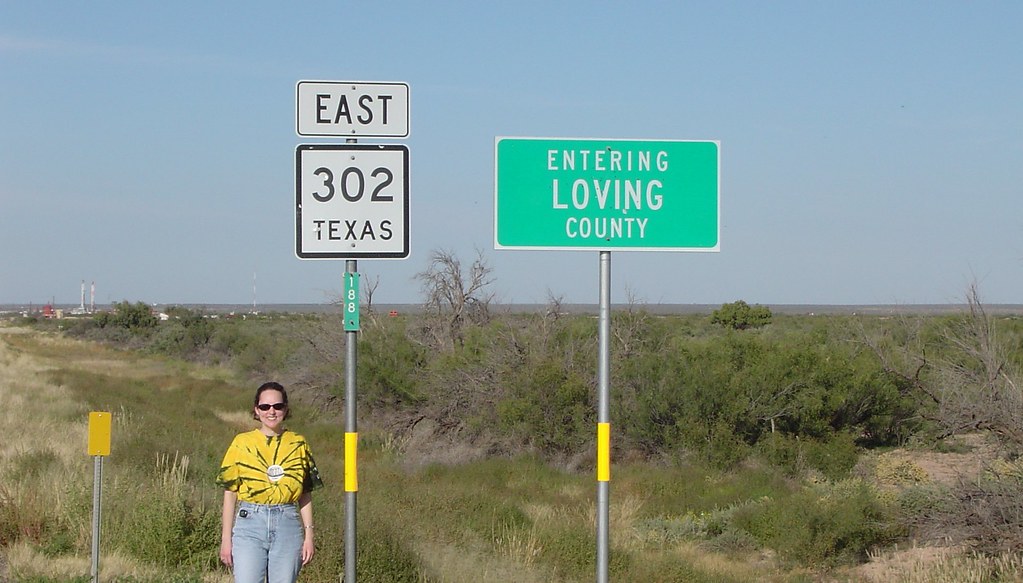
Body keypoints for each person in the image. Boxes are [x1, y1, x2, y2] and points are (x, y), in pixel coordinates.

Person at [217, 381, 323, 583]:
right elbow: (230, 493)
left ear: (286, 408)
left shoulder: (298, 443)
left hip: (287, 522)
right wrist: (226, 540)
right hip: (250, 522)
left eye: (278, 406)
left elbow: (305, 493)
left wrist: (309, 536)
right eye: (265, 407)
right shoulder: (242, 443)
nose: (271, 412)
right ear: (256, 410)